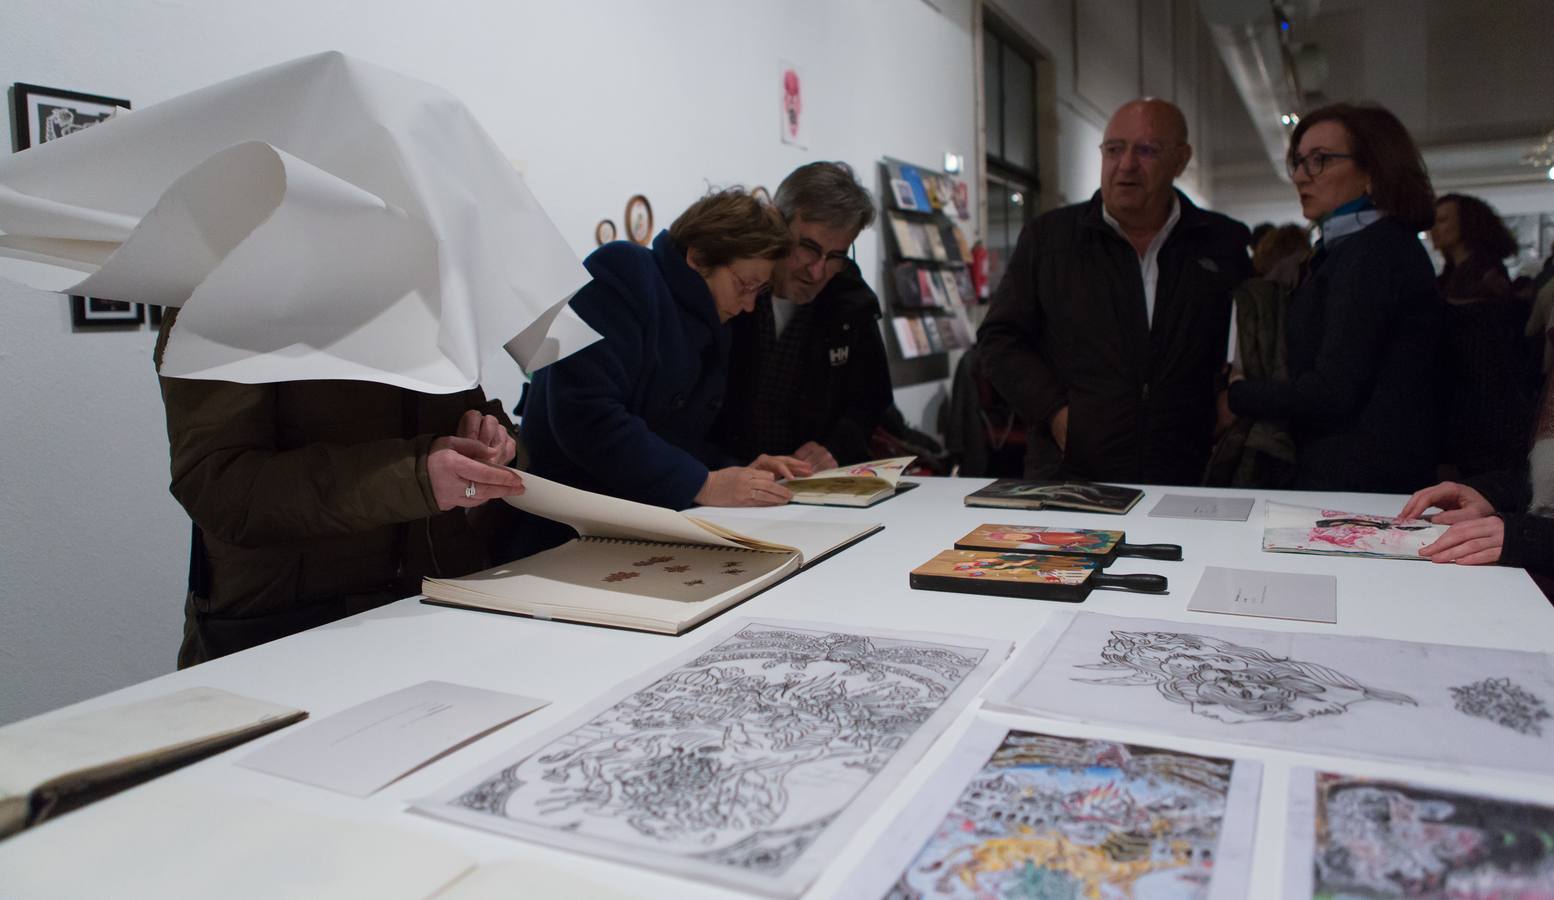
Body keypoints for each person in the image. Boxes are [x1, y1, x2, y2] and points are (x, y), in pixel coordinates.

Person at [155, 309, 526, 667]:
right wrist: (416, 477)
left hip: (438, 610)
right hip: (287, 633)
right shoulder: (223, 299)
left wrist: (492, 438)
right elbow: (223, 488)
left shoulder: (419, 289)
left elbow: (467, 408)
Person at [514, 188, 805, 555]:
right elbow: (586, 415)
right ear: (698, 257)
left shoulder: (710, 319)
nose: (748, 305)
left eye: (758, 291)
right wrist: (708, 484)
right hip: (568, 530)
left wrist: (739, 472)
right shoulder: (620, 270)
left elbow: (671, 435)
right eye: (744, 285)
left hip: (636, 524)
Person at [978, 98, 1251, 484]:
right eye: (1114, 149)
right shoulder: (1050, 238)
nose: (1126, 165)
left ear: (1181, 159)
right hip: (1071, 474)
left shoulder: (1221, 242)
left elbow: (1250, 340)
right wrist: (1056, 413)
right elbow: (999, 339)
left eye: (1146, 150)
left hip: (1188, 472)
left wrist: (1233, 392)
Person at [1227, 102, 1441, 493]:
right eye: (1298, 162)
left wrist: (1239, 393)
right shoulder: (1353, 250)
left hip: (1361, 484)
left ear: (1372, 172)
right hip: (1353, 477)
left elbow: (1332, 392)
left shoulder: (1374, 252)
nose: (1300, 177)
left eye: (1319, 160)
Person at [711, 162, 890, 472]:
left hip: (808, 485)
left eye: (836, 257)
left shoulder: (851, 304)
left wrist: (835, 448)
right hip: (724, 477)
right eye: (808, 248)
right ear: (778, 224)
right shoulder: (728, 285)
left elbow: (871, 399)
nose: (818, 270)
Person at [1431, 192, 1534, 478]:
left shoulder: (1486, 276)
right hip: (1464, 407)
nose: (1434, 228)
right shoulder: (1452, 277)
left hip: (1484, 410)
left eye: (1442, 220)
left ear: (1467, 224)